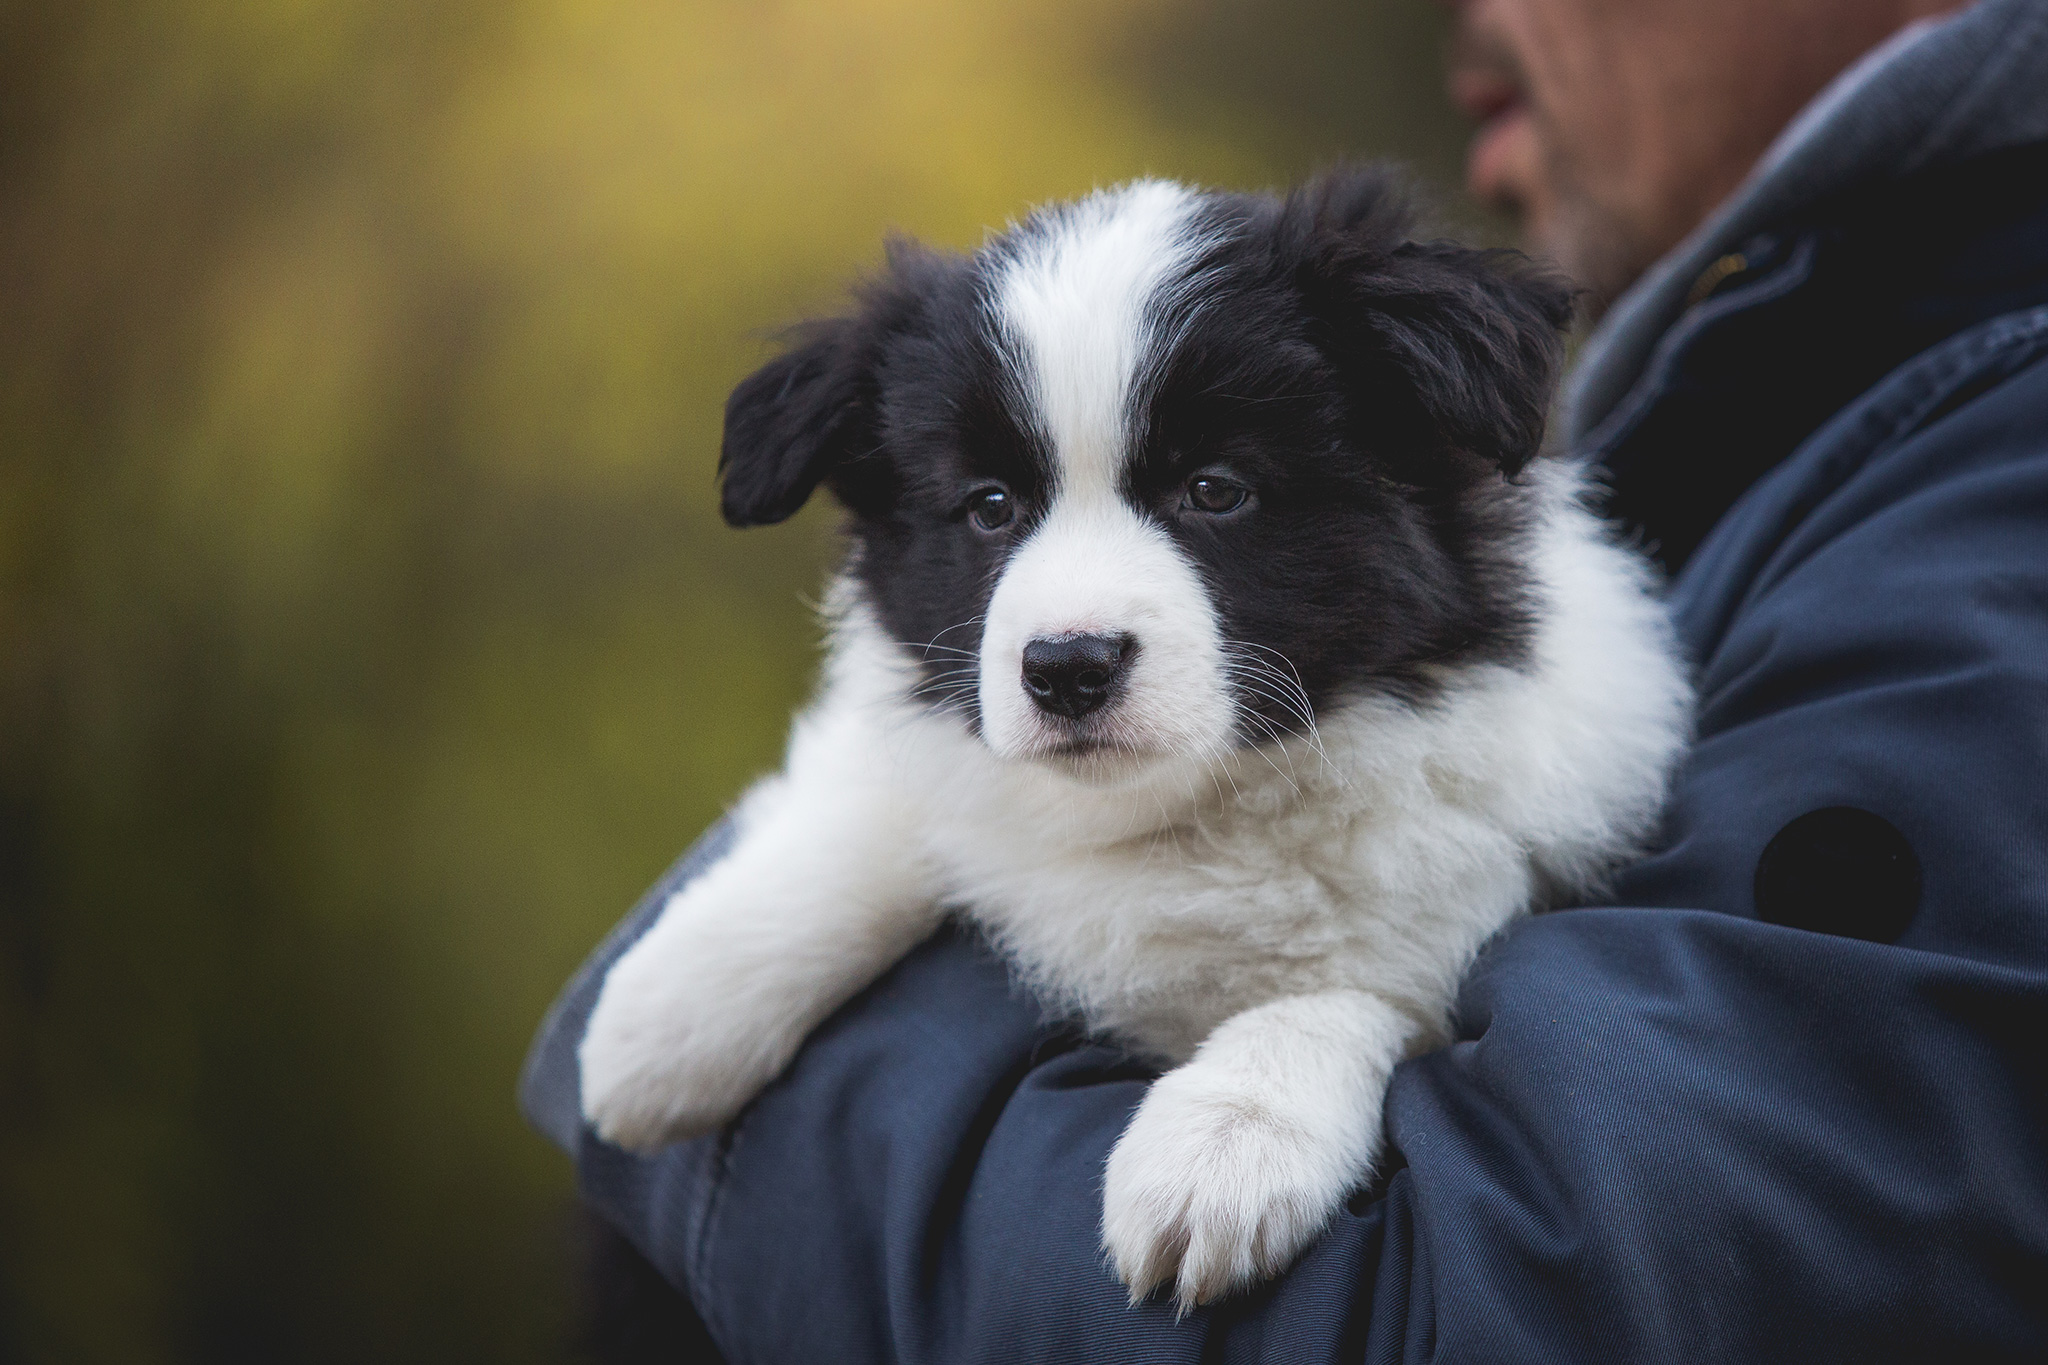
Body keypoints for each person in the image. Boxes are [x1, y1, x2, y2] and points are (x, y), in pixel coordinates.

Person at [522, 0, 2048, 1357]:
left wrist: (1315, 1033)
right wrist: (810, 901)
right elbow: (871, 771)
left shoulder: (1961, 503)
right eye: (995, 507)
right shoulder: (1773, 403)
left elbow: (1504, 1262)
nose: (1064, 618)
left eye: (1213, 490)